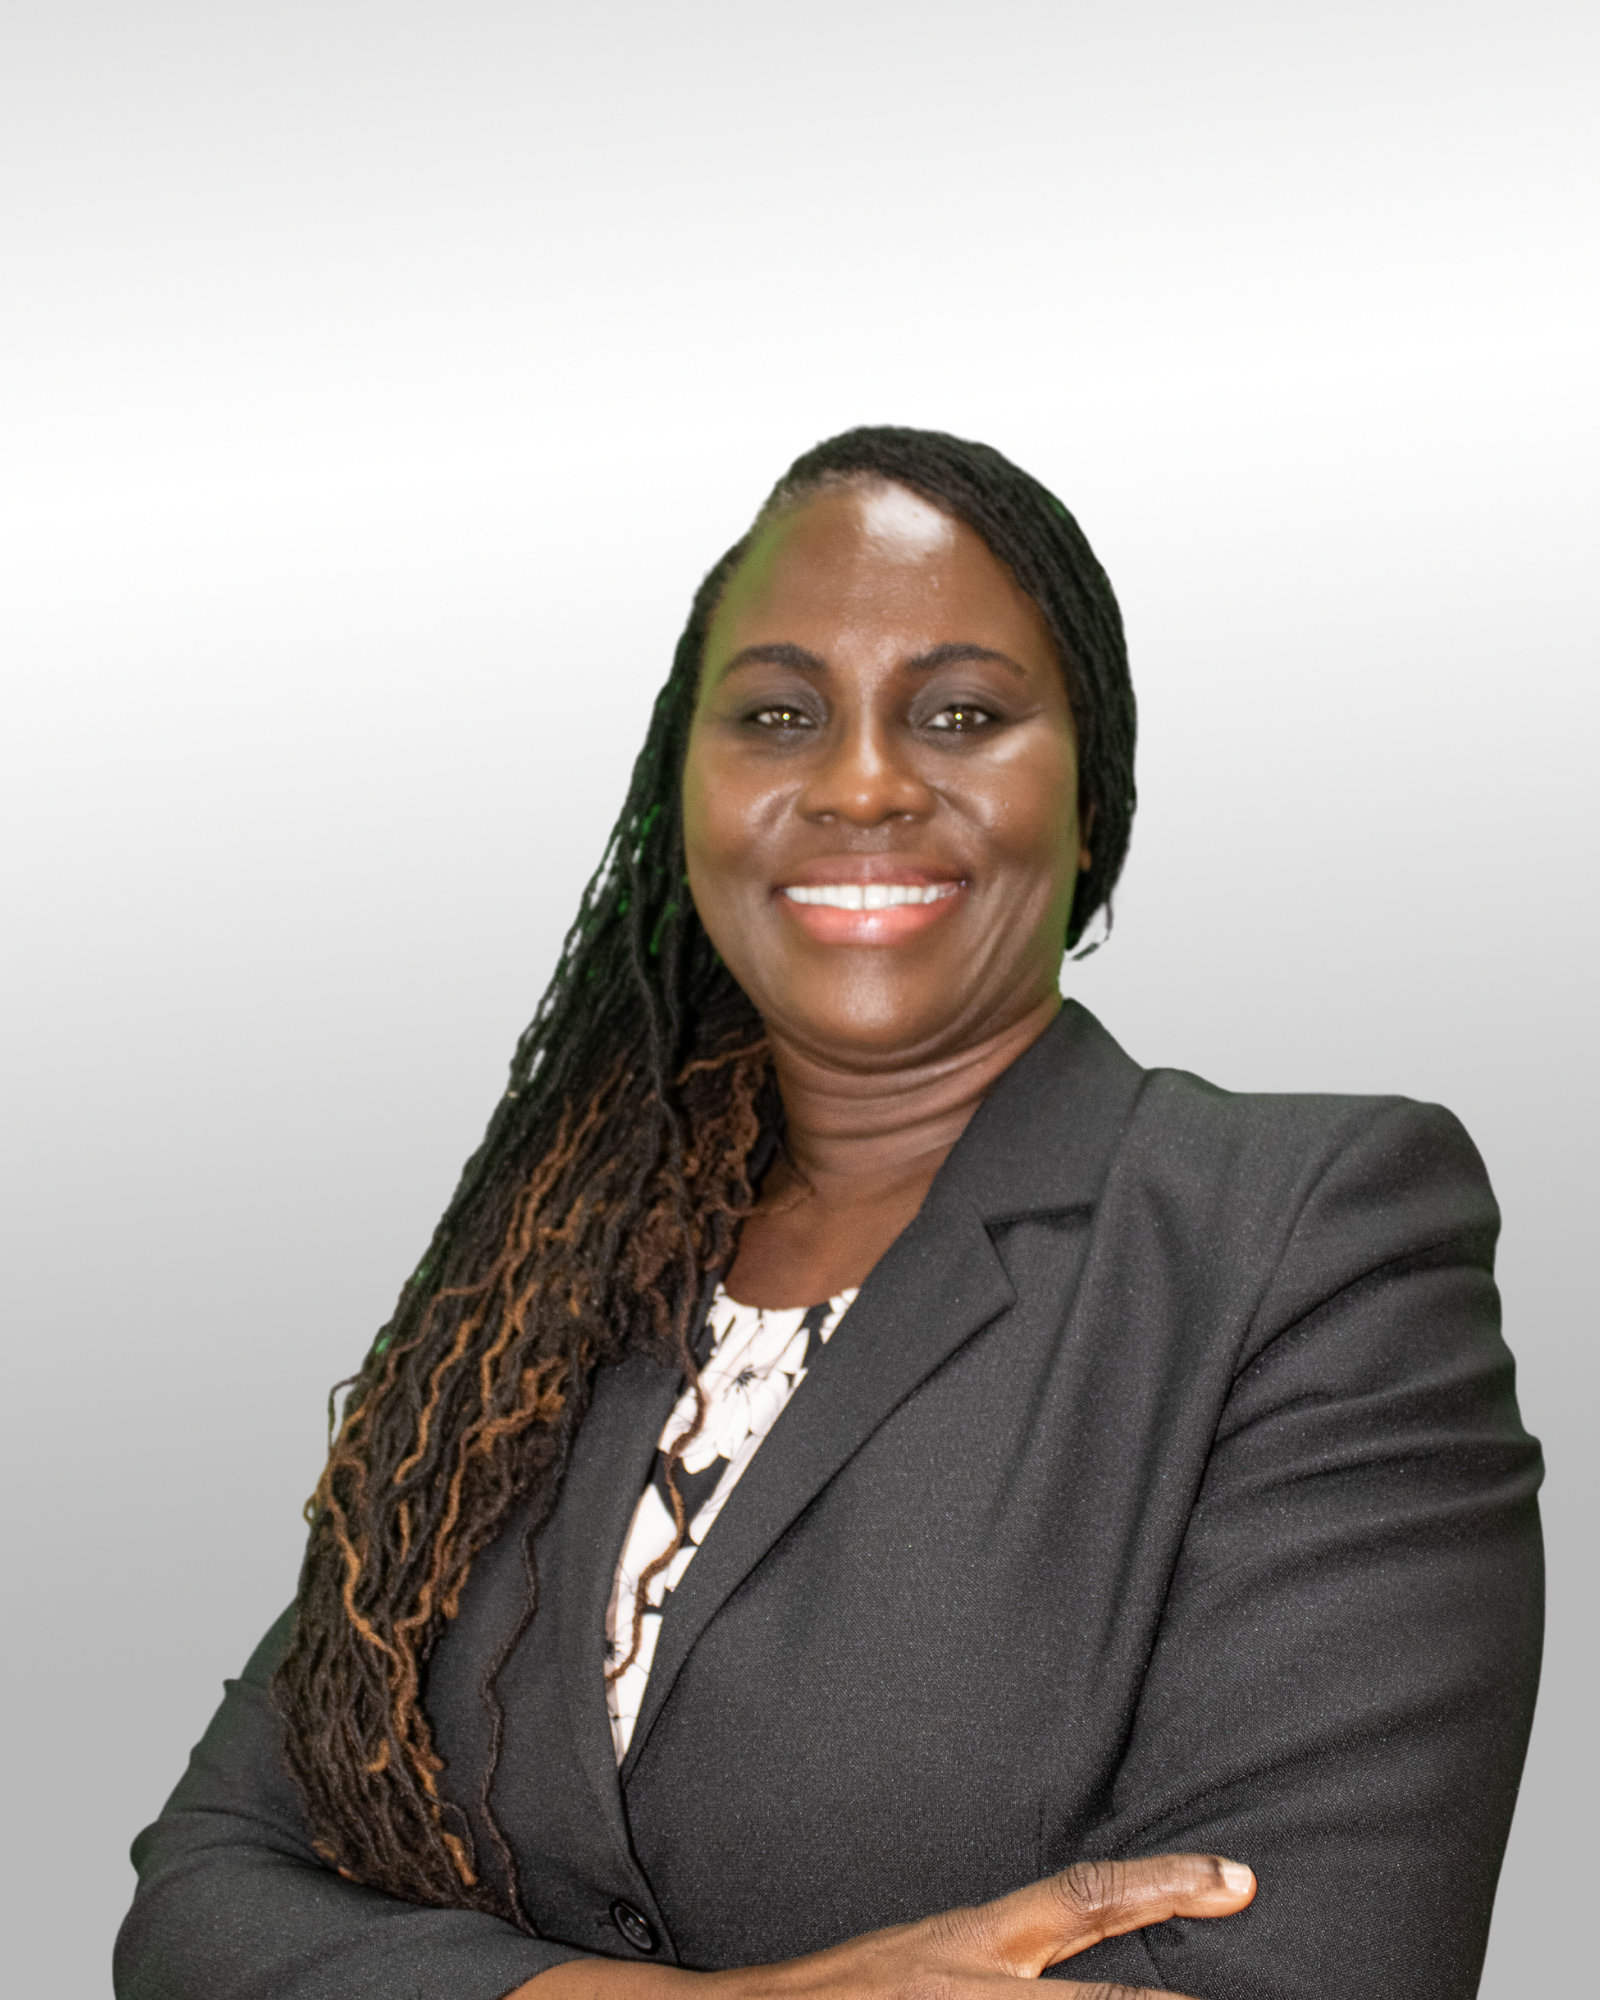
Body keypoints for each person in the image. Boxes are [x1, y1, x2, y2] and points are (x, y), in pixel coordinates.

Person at [115, 427, 1543, 2000]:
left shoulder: (1303, 1239)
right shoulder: (536, 1302)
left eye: (962, 715)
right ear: (691, 802)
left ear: (1090, 799)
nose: (861, 780)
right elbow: (202, 1901)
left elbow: (1303, 1968)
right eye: (780, 715)